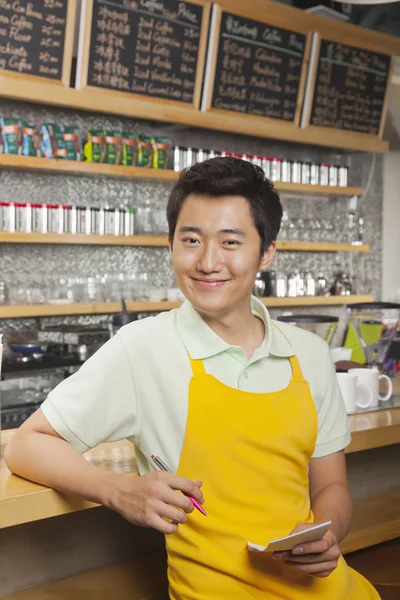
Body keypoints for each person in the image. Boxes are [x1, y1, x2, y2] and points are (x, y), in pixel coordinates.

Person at [5, 157, 379, 599]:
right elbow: (29, 444)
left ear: (266, 252)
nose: (207, 261)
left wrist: (327, 536)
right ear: (170, 245)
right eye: (191, 239)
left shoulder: (311, 354)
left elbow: (332, 486)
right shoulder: (141, 349)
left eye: (231, 241)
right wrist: (120, 491)